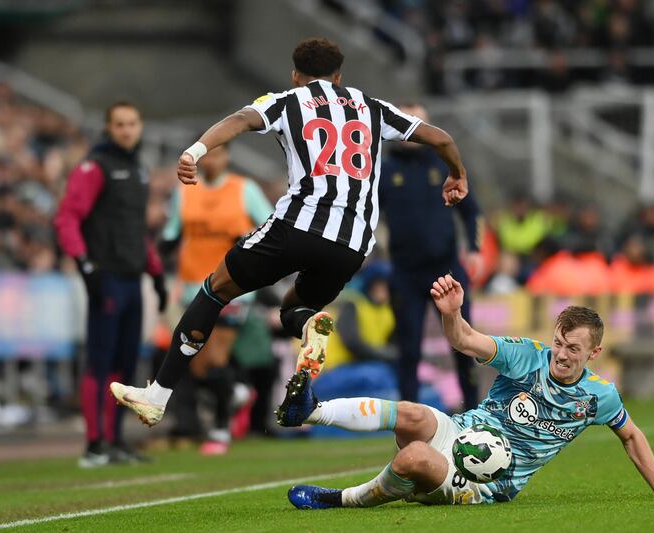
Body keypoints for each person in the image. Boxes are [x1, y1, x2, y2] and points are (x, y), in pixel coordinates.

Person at [111, 37, 469, 427]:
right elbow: (441, 138)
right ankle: (308, 324)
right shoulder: (373, 108)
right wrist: (457, 175)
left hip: (298, 225)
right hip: (352, 243)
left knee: (214, 290)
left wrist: (195, 151)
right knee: (293, 309)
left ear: (295, 75)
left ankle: (157, 395)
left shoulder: (287, 100)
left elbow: (240, 120)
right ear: (339, 76)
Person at [278, 274, 654, 508]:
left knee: (414, 456)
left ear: (594, 352)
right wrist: (453, 313)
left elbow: (632, 435)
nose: (561, 355)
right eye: (558, 343)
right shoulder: (526, 355)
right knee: (415, 413)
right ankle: (311, 411)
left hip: (486, 481)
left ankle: (341, 499)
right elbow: (464, 340)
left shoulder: (599, 396)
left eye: (573, 349)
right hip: (459, 431)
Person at [54, 101, 167, 467]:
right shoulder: (94, 166)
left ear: (139, 126)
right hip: (107, 278)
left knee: (125, 364)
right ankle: (93, 444)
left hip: (133, 280)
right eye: (119, 124)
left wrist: (156, 272)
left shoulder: (138, 169)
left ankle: (115, 440)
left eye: (132, 123)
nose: (126, 130)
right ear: (108, 128)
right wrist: (85, 265)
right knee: (100, 362)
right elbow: (67, 218)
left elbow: (136, 232)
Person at [160, 143, 274, 454]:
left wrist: (246, 241)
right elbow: (171, 233)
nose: (212, 159)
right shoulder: (184, 191)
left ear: (227, 157)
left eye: (218, 153)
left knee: (216, 357)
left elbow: (271, 225)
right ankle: (235, 390)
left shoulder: (243, 188)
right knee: (196, 365)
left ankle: (221, 430)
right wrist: (154, 263)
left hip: (231, 285)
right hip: (191, 286)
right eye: (207, 154)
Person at [379, 103, 482, 409]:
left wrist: (474, 250)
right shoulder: (383, 171)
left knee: (464, 344)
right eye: (405, 123)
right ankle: (410, 421)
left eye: (418, 123)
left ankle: (475, 413)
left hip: (446, 269)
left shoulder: (444, 165)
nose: (412, 132)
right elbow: (366, 215)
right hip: (405, 273)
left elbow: (471, 210)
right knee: (408, 350)